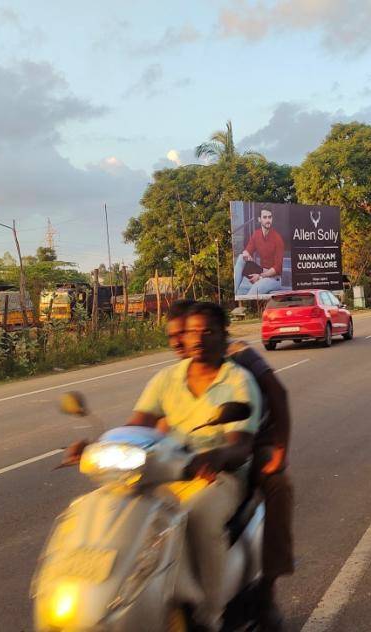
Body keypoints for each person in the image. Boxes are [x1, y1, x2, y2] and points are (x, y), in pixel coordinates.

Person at [131, 302, 262, 632]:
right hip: (170, 471)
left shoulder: (238, 381)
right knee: (126, 509)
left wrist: (216, 458)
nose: (198, 339)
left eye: (208, 332)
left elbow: (241, 445)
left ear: (224, 336)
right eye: (192, 332)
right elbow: (138, 426)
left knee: (199, 514)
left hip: (220, 476)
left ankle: (209, 613)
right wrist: (101, 444)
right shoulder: (166, 379)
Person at [165, 300, 294, 631]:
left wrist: (279, 449)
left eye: (188, 334)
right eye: (176, 337)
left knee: (278, 486)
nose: (183, 342)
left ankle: (266, 592)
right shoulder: (179, 373)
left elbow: (277, 393)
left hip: (255, 440)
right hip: (201, 450)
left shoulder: (238, 354)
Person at [234, 207, 285, 297]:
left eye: (269, 217)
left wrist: (260, 276)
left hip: (274, 279)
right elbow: (247, 250)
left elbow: (277, 268)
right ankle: (234, 291)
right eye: (265, 217)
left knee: (253, 292)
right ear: (259, 219)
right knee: (241, 258)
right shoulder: (256, 234)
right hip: (261, 271)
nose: (268, 220)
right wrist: (246, 254)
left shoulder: (277, 238)